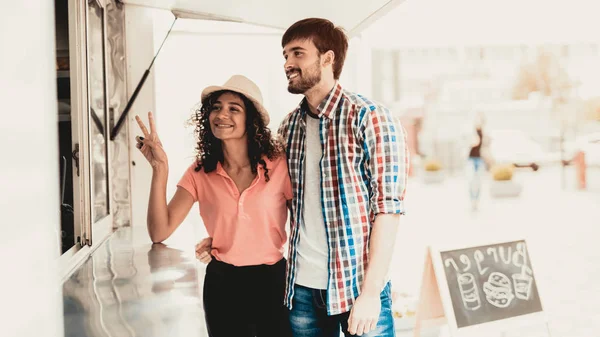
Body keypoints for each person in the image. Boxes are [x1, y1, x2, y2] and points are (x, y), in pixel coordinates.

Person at [278, 18, 409, 337]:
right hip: (302, 292)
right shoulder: (287, 128)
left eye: (298, 53)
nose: (287, 64)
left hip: (356, 287)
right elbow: (270, 198)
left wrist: (370, 293)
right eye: (284, 56)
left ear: (327, 58)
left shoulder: (371, 118)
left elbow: (388, 211)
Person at [134, 75, 293, 337]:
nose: (221, 114)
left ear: (250, 120)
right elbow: (159, 230)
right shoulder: (199, 172)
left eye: (234, 108)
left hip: (273, 282)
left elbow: (303, 222)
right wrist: (159, 169)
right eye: (216, 107)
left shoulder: (278, 166)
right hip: (222, 285)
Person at [467, 113, 485, 210]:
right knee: (471, 181)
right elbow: (472, 142)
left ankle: (476, 200)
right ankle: (472, 200)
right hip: (471, 160)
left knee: (478, 182)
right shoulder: (471, 131)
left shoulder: (482, 131)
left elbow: (482, 145)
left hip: (479, 160)